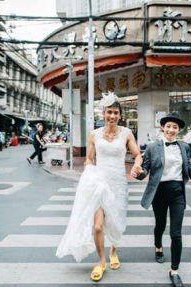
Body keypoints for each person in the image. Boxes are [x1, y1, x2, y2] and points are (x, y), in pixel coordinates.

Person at [56, 93, 143, 282]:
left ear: (120, 115)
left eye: (115, 113)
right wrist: (89, 169)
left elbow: (137, 154)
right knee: (97, 227)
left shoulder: (127, 134)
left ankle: (113, 251)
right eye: (109, 112)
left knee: (115, 223)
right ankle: (102, 260)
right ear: (103, 114)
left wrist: (137, 164)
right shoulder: (94, 134)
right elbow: (89, 158)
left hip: (118, 184)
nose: (112, 116)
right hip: (99, 184)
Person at [135, 112, 191, 287]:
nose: (171, 130)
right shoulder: (152, 147)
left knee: (176, 233)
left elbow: (189, 165)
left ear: (178, 130)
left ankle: (175, 270)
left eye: (175, 127)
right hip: (159, 192)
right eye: (168, 126)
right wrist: (139, 173)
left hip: (177, 192)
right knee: (161, 225)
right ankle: (158, 246)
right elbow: (146, 168)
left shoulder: (184, 147)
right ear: (163, 127)